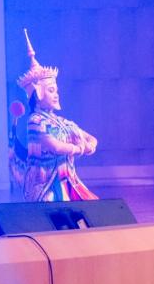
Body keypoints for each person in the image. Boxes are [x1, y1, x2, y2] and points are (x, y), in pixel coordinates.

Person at [15, 28, 98, 202]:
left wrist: (89, 145)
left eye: (56, 91)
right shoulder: (35, 121)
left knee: (90, 205)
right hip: (45, 184)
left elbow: (91, 138)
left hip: (67, 180)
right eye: (51, 90)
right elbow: (55, 147)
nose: (56, 95)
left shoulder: (63, 122)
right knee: (53, 207)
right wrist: (80, 148)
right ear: (38, 94)